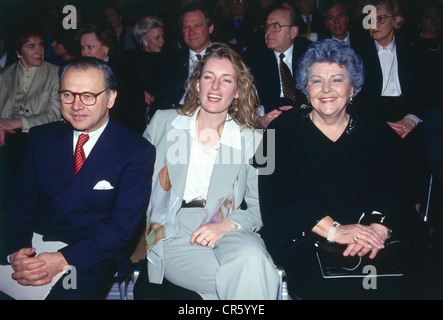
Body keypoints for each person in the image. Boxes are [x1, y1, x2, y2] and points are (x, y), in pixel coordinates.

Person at [257, 39, 428, 299]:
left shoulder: (375, 128)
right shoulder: (279, 131)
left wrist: (379, 228)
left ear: (352, 89)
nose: (326, 89)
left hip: (375, 239)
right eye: (316, 80)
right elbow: (274, 199)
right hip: (309, 240)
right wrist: (337, 231)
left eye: (337, 79)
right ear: (305, 88)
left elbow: (399, 185)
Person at [0, 57, 155, 300]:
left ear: (110, 98)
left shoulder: (135, 151)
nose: (76, 105)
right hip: (33, 242)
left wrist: (61, 260)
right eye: (68, 95)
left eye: (88, 96)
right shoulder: (41, 138)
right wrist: (15, 253)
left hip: (89, 253)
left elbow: (121, 228)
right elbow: (20, 204)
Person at [137, 42, 279, 300]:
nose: (215, 87)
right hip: (176, 231)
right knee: (251, 279)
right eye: (208, 77)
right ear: (196, 84)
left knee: (252, 259)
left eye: (226, 80)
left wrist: (226, 225)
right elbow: (135, 177)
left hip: (231, 228)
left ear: (237, 90)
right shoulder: (164, 122)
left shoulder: (260, 140)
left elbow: (264, 209)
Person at [354, 0, 429, 211]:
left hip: (408, 115)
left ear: (396, 21)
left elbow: (426, 93)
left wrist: (411, 120)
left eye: (381, 18)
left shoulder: (414, 51)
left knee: (416, 148)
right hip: (373, 116)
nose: (373, 24)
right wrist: (379, 123)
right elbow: (355, 100)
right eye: (370, 19)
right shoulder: (358, 53)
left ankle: (414, 213)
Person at [0, 21, 61, 221]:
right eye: (31, 46)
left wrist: (17, 123)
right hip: (8, 138)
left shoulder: (55, 73)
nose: (39, 51)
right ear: (19, 51)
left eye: (41, 45)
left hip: (39, 137)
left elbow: (53, 115)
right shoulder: (5, 75)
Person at [246, 7, 311, 129]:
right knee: (269, 147)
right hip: (270, 125)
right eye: (267, 27)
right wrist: (259, 121)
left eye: (275, 26)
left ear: (293, 32)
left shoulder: (311, 54)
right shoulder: (254, 59)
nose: (268, 32)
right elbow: (245, 101)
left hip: (306, 122)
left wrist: (304, 114)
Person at [163, 3, 214, 108]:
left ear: (210, 28)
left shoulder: (227, 57)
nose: (191, 32)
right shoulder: (170, 61)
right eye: (186, 27)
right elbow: (162, 100)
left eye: (197, 26)